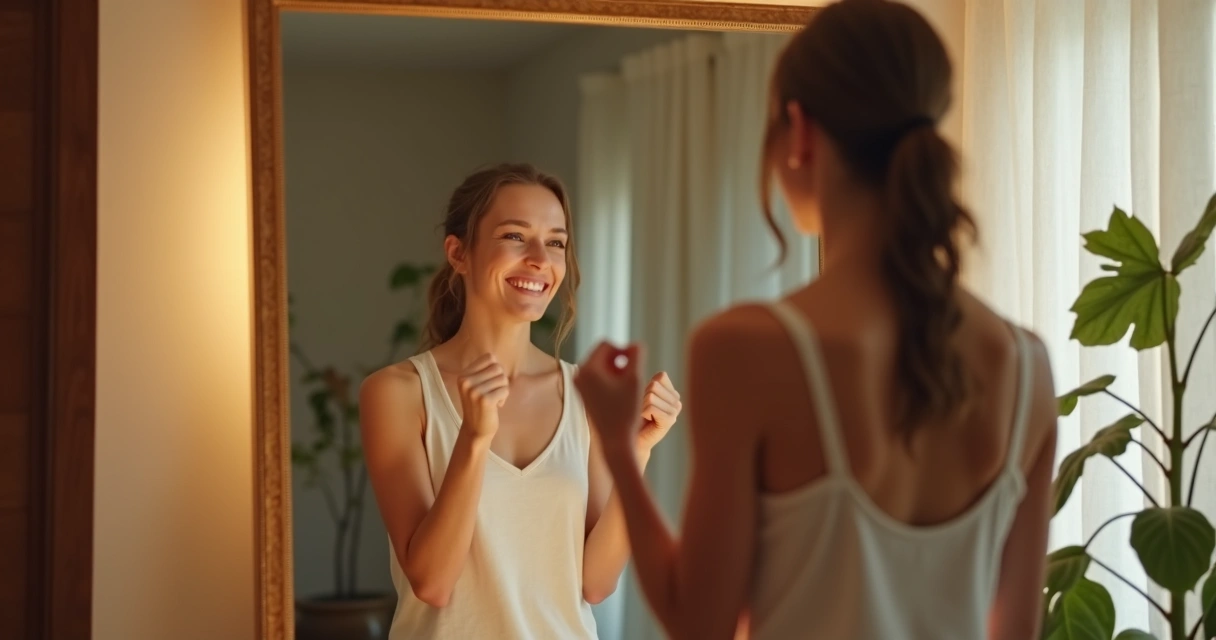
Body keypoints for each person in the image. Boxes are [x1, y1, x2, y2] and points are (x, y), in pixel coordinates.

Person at [573, 1, 1058, 639]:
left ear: (799, 130)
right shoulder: (1026, 364)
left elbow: (700, 621)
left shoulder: (747, 346)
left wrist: (614, 441)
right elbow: (1016, 630)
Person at [359, 163, 683, 639]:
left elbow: (595, 584)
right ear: (459, 253)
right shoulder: (398, 392)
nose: (539, 259)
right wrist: (473, 439)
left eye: (555, 242)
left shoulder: (586, 396)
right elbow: (432, 581)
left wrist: (637, 452)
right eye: (515, 236)